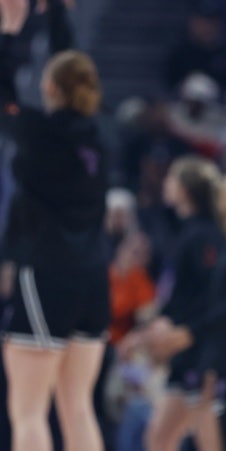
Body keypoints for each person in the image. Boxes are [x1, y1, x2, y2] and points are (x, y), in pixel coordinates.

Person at [0, 47, 110, 451]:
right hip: (94, 279)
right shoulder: (96, 138)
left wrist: (8, 38)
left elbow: (5, 102)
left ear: (49, 87)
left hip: (50, 274)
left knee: (28, 411)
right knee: (77, 406)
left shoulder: (41, 133)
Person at [131, 155, 226, 451]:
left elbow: (214, 297)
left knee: (199, 437)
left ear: (186, 188)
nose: (166, 183)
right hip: (185, 351)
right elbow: (181, 294)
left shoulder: (205, 236)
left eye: (172, 177)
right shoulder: (186, 231)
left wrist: (185, 331)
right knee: (160, 439)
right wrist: (159, 320)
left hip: (199, 351)